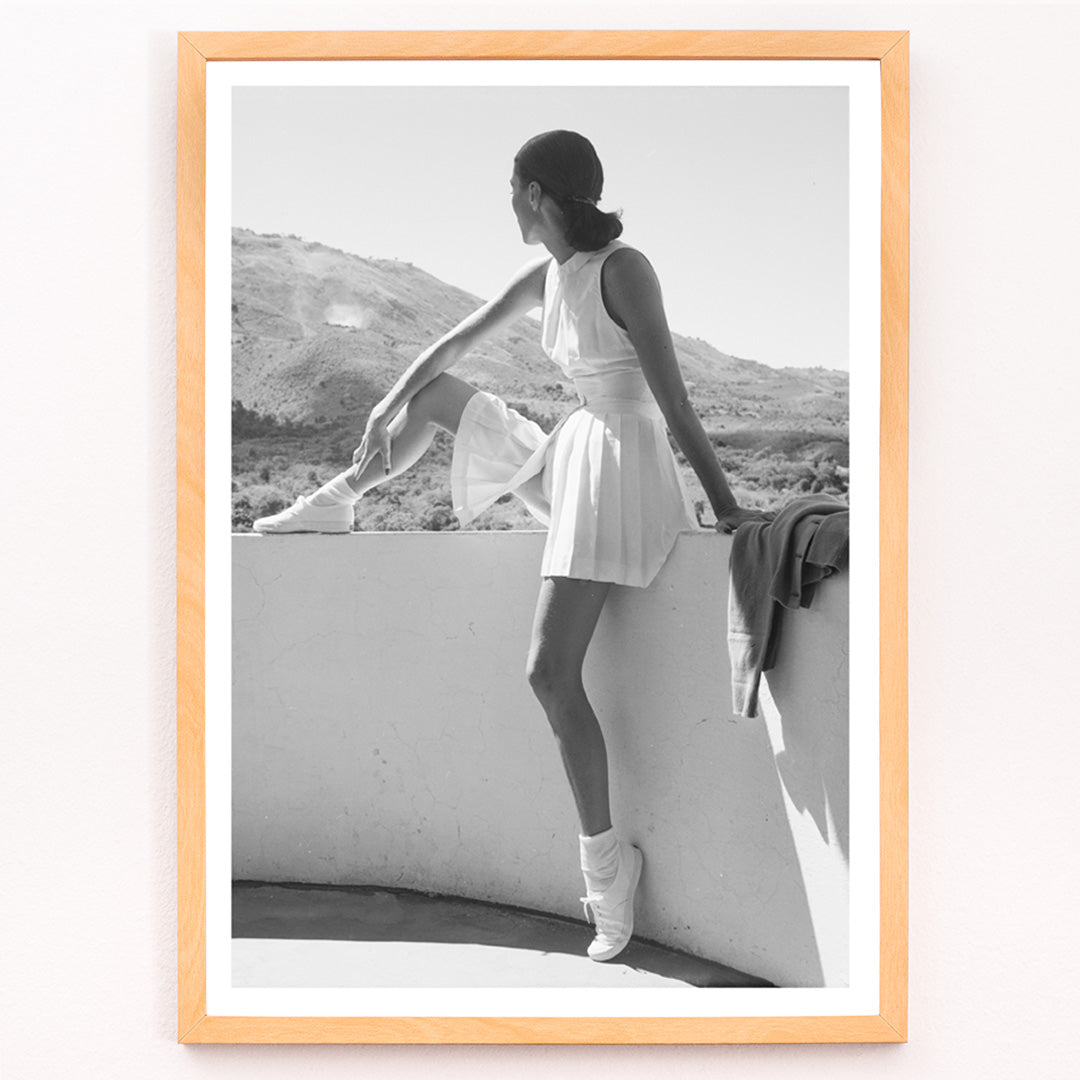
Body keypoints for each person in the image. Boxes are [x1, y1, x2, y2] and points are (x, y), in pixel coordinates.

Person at [253, 130, 766, 962]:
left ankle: (608, 871)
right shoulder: (548, 276)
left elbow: (672, 398)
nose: (506, 201)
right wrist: (389, 402)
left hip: (622, 465)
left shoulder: (625, 271)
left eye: (510, 187)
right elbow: (451, 346)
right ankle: (336, 502)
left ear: (535, 195)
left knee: (546, 670)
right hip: (578, 454)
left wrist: (728, 507)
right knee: (442, 396)